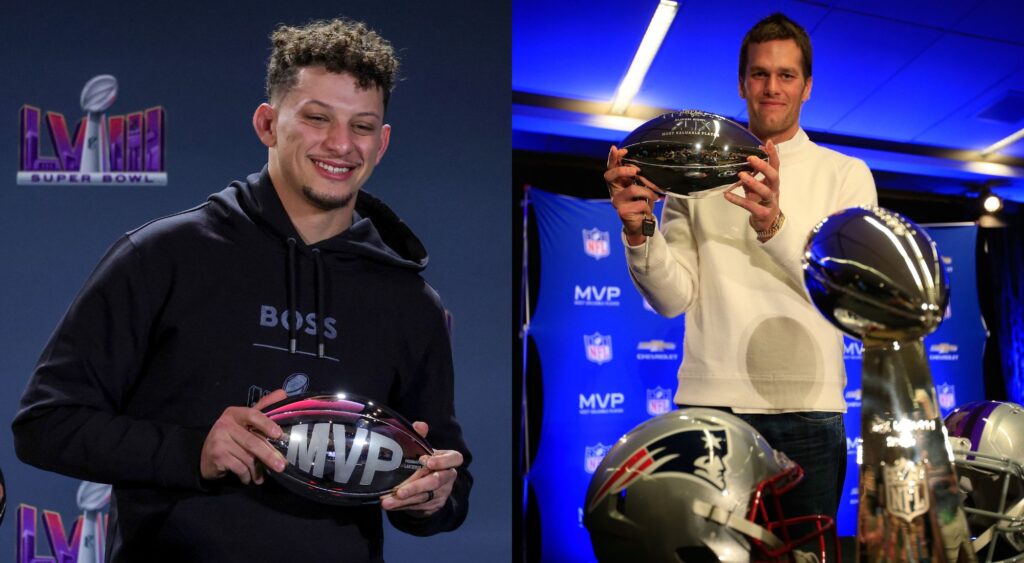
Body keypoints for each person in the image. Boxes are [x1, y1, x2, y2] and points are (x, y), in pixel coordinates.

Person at [12, 18, 470, 562]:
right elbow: (45, 424)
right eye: (318, 118)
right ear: (268, 123)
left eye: (363, 126)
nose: (341, 145)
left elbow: (448, 477)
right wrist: (193, 451)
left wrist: (434, 496)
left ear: (383, 142)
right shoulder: (163, 256)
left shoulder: (410, 302)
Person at [604, 13, 876, 528]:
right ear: (742, 82)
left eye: (787, 75)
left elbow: (842, 289)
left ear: (808, 86)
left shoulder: (846, 175)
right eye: (759, 74)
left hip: (808, 408)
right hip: (711, 405)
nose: (772, 87)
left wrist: (774, 224)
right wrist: (640, 229)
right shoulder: (695, 171)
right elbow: (672, 298)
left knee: (801, 558)